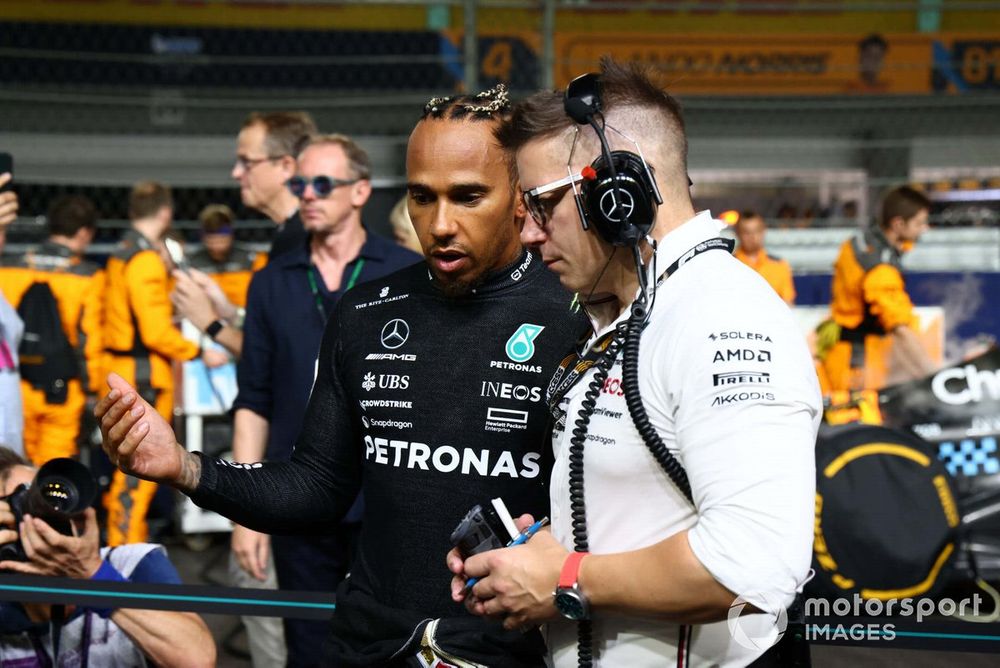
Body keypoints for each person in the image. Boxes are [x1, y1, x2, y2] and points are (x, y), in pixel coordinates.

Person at [96, 84, 585, 667]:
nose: (441, 223)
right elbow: (317, 486)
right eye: (421, 198)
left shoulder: (577, 315)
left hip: (514, 649)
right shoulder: (365, 311)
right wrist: (184, 466)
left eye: (468, 196)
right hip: (372, 641)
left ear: (520, 199)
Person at [448, 59, 821, 667]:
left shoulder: (720, 316)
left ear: (617, 194)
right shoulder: (637, 314)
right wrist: (533, 558)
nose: (531, 234)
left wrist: (564, 577)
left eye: (542, 206)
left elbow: (754, 566)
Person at [0, 447, 216, 667]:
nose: (46, 516)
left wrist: (93, 573)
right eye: (20, 506)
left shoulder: (130, 565)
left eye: (40, 495)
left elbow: (196, 660)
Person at [102, 181, 228, 546]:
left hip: (123, 369)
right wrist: (200, 351)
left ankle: (125, 552)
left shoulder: (120, 251)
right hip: (141, 375)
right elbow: (155, 331)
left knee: (126, 471)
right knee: (134, 472)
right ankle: (125, 562)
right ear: (166, 213)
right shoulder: (143, 260)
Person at [171, 111, 317, 359]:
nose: (236, 173)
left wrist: (209, 321)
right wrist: (227, 310)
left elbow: (282, 356)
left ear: (285, 167)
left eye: (246, 162)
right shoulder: (291, 234)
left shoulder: (302, 240)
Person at [0, 195, 105, 466]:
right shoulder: (88, 276)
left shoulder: (9, 267)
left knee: (11, 466)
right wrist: (94, 390)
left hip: (13, 384)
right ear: (83, 232)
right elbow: (91, 338)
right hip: (61, 390)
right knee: (53, 472)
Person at [819, 185, 935, 392]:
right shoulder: (880, 268)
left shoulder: (860, 242)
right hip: (857, 364)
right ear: (898, 224)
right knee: (860, 419)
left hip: (842, 351)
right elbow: (900, 329)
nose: (924, 229)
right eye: (919, 223)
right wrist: (935, 378)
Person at [187, 204, 266, 309]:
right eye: (211, 241)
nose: (217, 247)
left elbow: (264, 296)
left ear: (231, 235)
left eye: (221, 241)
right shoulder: (192, 263)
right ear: (203, 238)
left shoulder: (251, 260)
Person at [733, 210, 796, 305]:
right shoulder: (729, 265)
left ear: (763, 231)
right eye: (747, 232)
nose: (752, 237)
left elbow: (788, 302)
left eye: (756, 231)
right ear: (737, 233)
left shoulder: (779, 265)